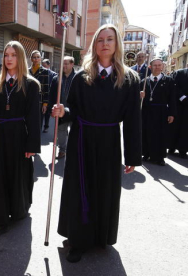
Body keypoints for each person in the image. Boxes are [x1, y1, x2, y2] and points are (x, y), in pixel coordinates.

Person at [51, 24, 141, 263]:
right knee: (81, 189)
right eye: (100, 39)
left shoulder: (130, 78)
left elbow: (133, 119)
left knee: (104, 189)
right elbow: (72, 109)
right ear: (94, 45)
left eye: (110, 39)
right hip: (82, 140)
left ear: (116, 44)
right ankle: (78, 240)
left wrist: (132, 157)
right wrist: (63, 111)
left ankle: (101, 236)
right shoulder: (82, 77)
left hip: (109, 142)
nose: (105, 43)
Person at [0, 41, 41, 240]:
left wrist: (32, 144)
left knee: (18, 175)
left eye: (13, 55)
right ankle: (1, 220)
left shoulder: (31, 84)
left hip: (19, 135)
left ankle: (19, 210)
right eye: (6, 55)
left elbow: (34, 117)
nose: (9, 58)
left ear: (20, 57)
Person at [140, 58, 176, 166]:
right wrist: (140, 95)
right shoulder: (144, 81)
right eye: (155, 65)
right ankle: (146, 154)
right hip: (147, 111)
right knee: (146, 132)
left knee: (160, 134)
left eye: (159, 65)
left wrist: (171, 113)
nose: (157, 67)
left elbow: (172, 99)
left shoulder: (168, 81)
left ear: (162, 66)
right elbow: (137, 99)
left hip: (161, 111)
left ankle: (159, 157)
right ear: (150, 67)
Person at [49, 56, 77, 159]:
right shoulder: (56, 78)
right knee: (61, 131)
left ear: (72, 64)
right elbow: (51, 95)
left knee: (75, 132)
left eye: (66, 63)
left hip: (74, 111)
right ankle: (62, 150)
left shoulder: (77, 78)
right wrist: (51, 110)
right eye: (63, 63)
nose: (64, 66)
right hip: (60, 111)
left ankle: (74, 150)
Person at [29, 50, 57, 133]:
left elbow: (46, 88)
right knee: (29, 123)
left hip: (39, 101)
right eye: (34, 57)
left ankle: (37, 143)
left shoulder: (45, 71)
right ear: (31, 59)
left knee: (38, 124)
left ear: (40, 59)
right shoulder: (27, 71)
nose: (36, 59)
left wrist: (45, 104)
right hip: (29, 100)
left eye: (38, 57)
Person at [168, 66, 188, 159]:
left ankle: (183, 149)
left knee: (185, 129)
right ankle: (171, 147)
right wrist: (182, 97)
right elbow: (173, 86)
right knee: (175, 126)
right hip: (178, 105)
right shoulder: (179, 73)